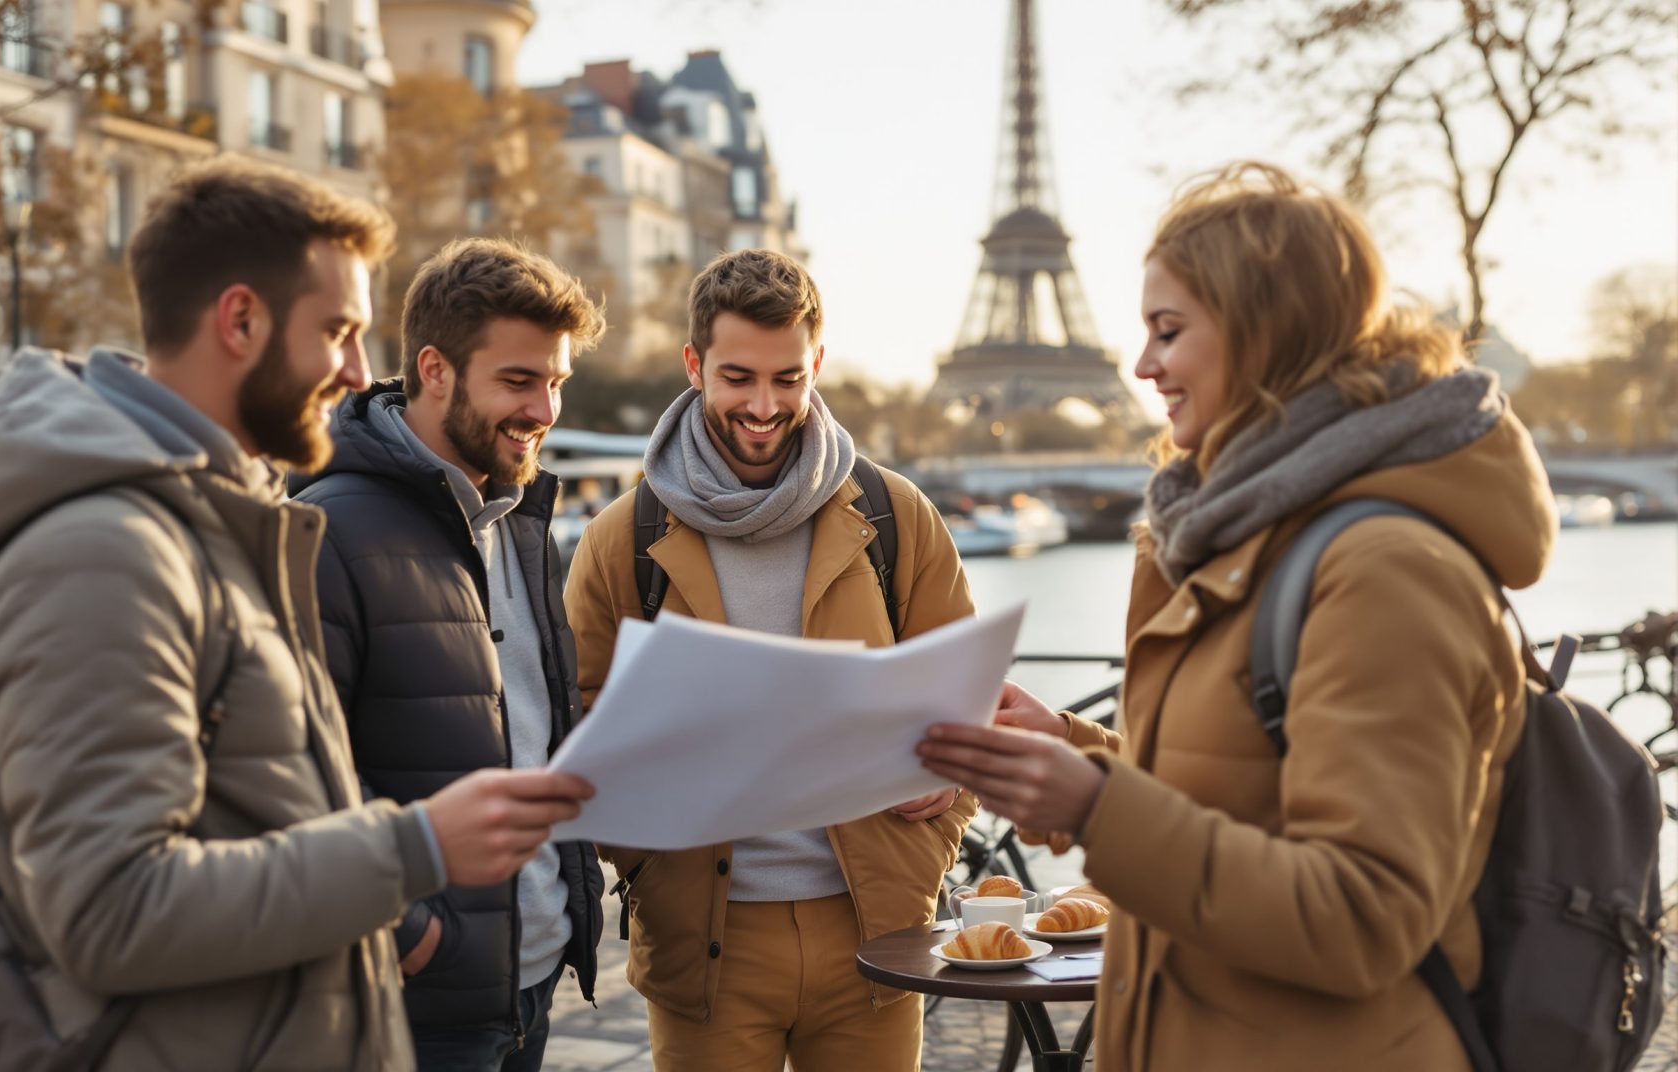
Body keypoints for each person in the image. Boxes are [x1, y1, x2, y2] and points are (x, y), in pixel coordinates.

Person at [0, 159, 593, 1072]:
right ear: (240, 320)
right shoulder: (105, 549)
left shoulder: (213, 520)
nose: (356, 369)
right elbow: (111, 911)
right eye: (338, 331)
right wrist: (416, 851)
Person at [917, 162, 1556, 1071]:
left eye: (1169, 332)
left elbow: (1364, 915)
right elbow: (1238, 799)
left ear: (1265, 335)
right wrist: (1070, 752)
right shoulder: (1243, 538)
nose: (1141, 367)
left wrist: (1097, 808)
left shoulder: (1385, 571)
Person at [564, 248, 978, 1071]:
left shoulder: (898, 515)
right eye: (738, 378)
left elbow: (969, 699)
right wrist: (642, 856)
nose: (763, 406)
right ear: (695, 365)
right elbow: (575, 724)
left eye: (788, 380)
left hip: (878, 936)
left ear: (816, 364)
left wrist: (951, 783)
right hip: (704, 945)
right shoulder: (624, 536)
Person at [290, 237, 608, 1071]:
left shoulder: (524, 520)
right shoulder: (324, 529)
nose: (544, 410)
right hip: (412, 1002)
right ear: (434, 369)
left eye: (556, 383)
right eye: (519, 381)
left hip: (529, 981)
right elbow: (293, 765)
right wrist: (406, 933)